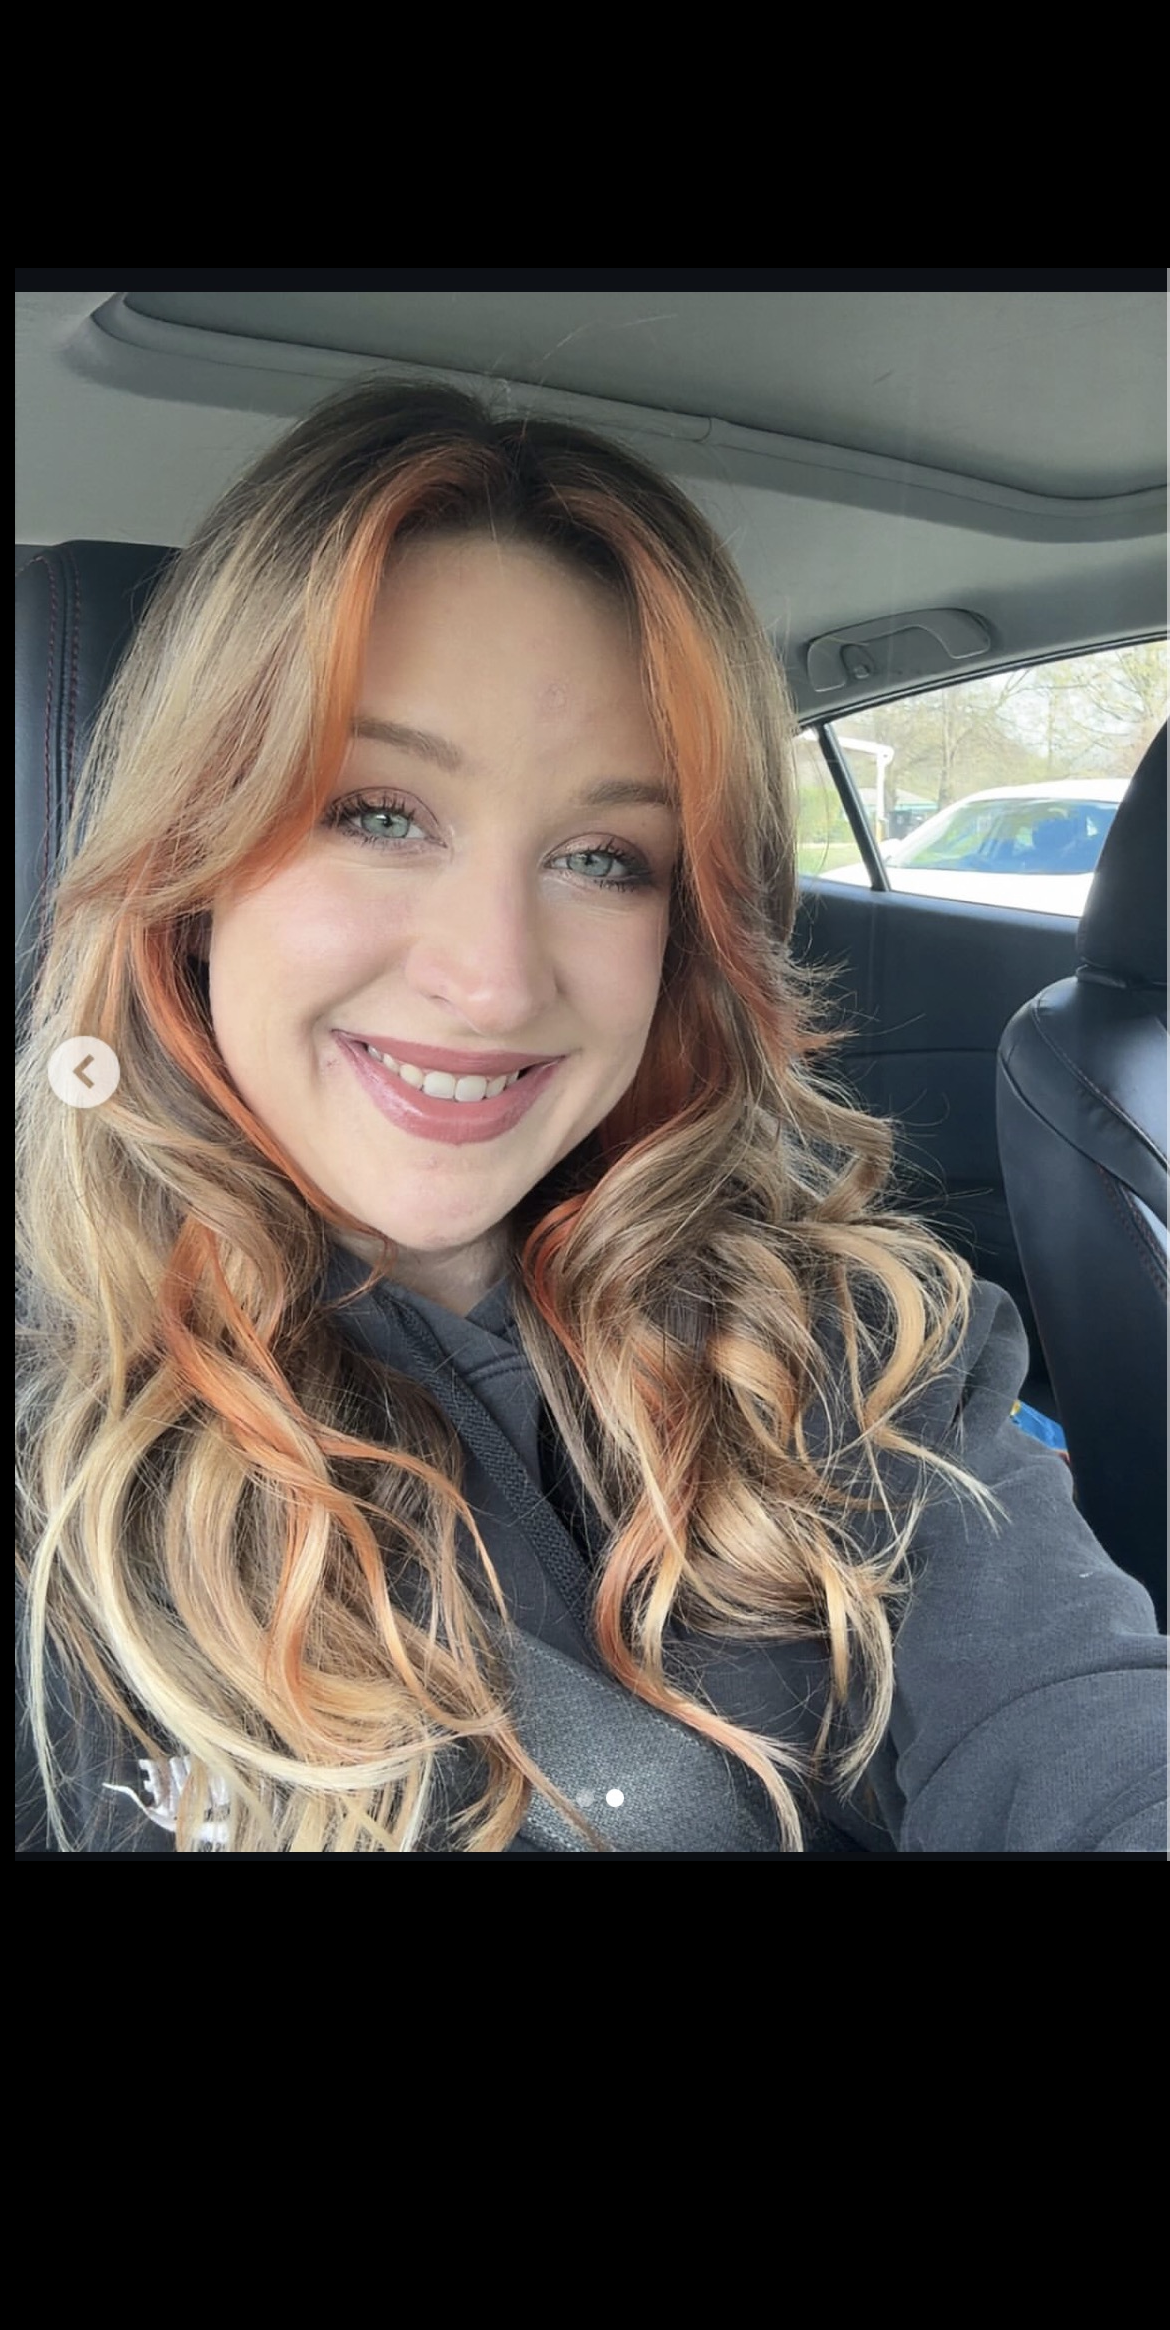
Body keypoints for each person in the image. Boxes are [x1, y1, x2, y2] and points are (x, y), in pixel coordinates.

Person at [15, 380, 1166, 1856]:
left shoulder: (860, 1342)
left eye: (604, 856)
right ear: (193, 854)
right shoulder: (57, 1430)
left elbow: (1078, 1729)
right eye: (377, 812)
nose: (495, 981)